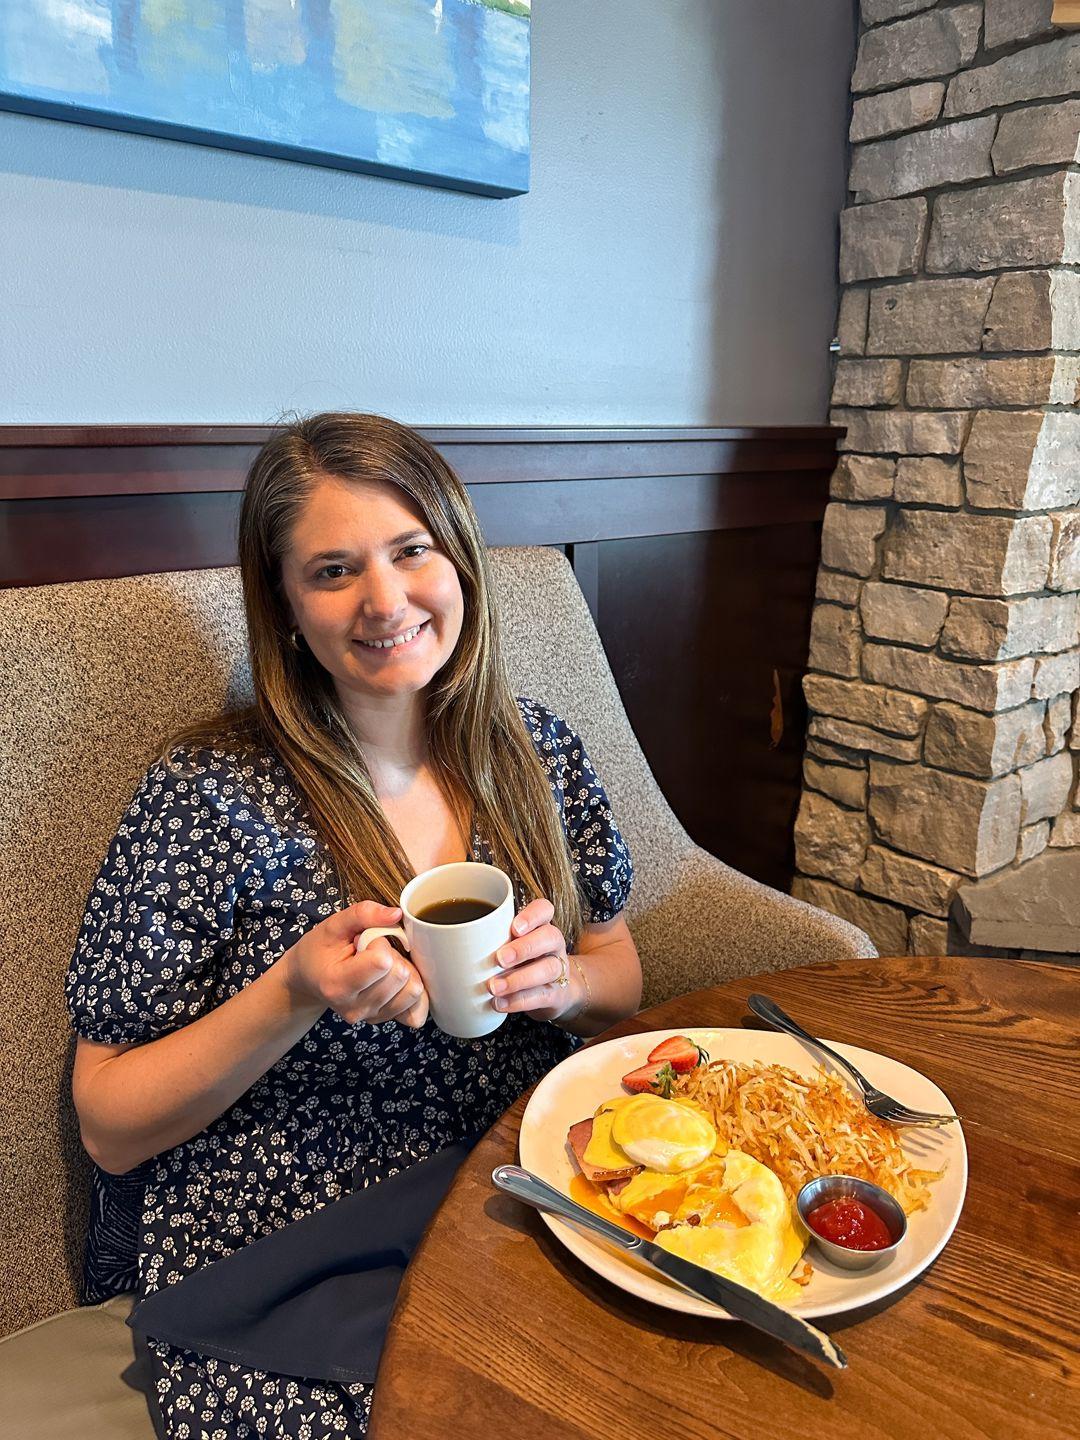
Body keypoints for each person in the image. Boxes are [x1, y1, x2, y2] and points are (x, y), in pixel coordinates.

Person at [65, 412, 642, 1438]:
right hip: (284, 1234)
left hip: (510, 1181)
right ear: (286, 606)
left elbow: (619, 972)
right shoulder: (206, 796)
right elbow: (107, 1126)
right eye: (333, 571)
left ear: (457, 558)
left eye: (412, 550)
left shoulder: (534, 752)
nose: (385, 599)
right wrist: (290, 994)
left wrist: (569, 986)